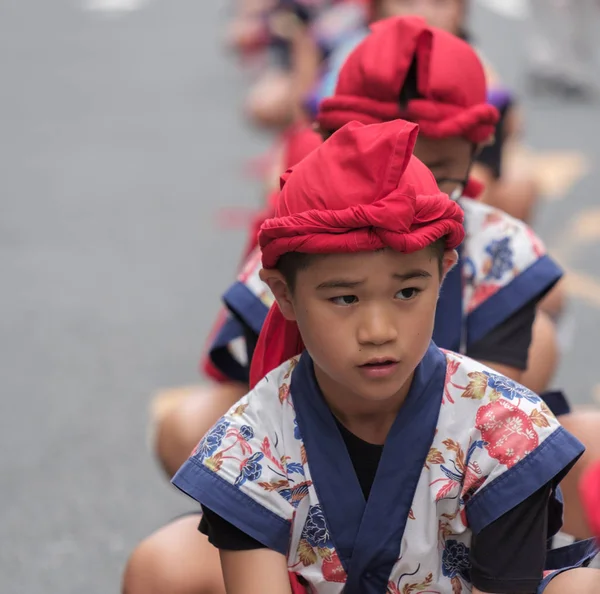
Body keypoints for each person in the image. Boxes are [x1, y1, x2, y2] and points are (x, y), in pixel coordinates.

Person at [173, 117, 599, 594]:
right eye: (345, 299)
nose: (378, 331)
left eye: (407, 292)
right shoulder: (247, 446)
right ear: (283, 294)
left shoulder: (508, 428)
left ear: (444, 273)